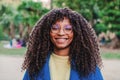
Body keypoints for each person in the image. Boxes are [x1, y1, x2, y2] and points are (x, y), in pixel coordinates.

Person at [22, 8, 103, 80]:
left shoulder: (89, 66)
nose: (61, 33)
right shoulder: (36, 65)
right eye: (55, 28)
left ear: (76, 32)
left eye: (68, 29)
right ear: (47, 32)